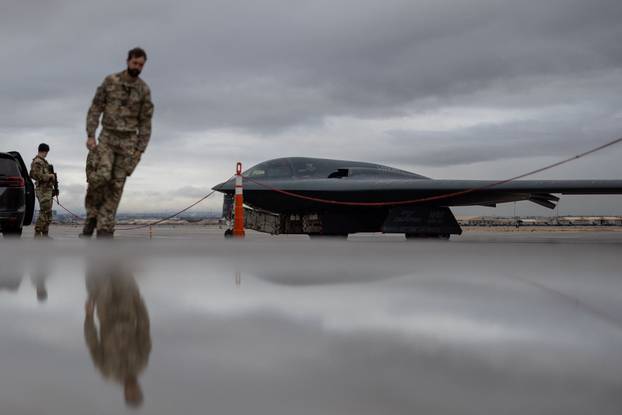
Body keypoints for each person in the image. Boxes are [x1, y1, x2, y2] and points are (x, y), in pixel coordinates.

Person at [85, 47, 154, 238]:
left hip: (128, 144)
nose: (137, 67)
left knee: (117, 185)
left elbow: (146, 123)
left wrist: (139, 150)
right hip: (107, 138)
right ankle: (92, 213)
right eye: (135, 63)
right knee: (102, 176)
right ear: (128, 61)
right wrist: (91, 134)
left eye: (141, 65)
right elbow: (96, 107)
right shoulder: (111, 82)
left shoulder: (143, 90)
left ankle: (105, 227)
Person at [84, 263, 151, 407]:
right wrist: (138, 302)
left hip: (105, 311)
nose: (132, 390)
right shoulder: (141, 363)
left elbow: (93, 343)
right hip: (127, 308)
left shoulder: (107, 371)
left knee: (98, 273)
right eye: (136, 392)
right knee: (122, 269)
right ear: (140, 389)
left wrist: (89, 317)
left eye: (130, 395)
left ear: (124, 394)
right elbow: (144, 328)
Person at [29, 143, 56, 239]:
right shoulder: (38, 162)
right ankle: (37, 234)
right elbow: (35, 176)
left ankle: (45, 234)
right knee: (44, 211)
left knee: (48, 212)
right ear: (44, 151)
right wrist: (50, 176)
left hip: (47, 190)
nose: (46, 154)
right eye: (46, 152)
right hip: (43, 190)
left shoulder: (44, 162)